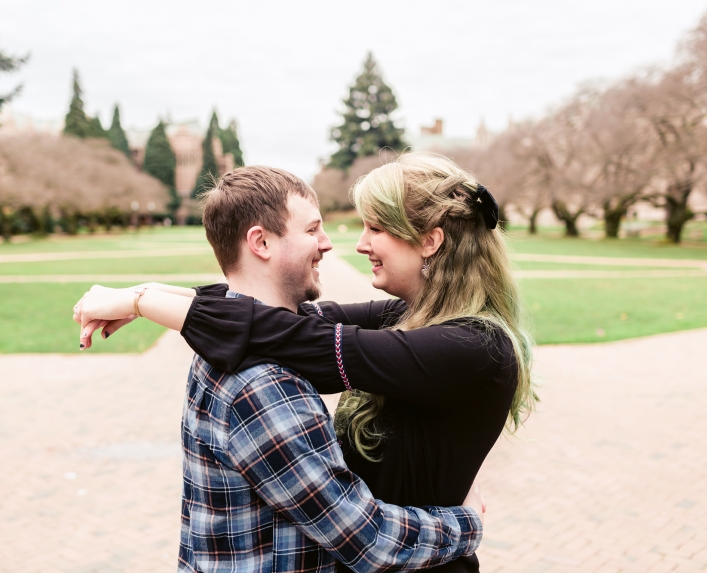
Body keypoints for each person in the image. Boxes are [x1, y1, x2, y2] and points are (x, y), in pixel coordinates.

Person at [74, 165, 485, 573]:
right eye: (311, 230)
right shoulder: (265, 383)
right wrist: (467, 523)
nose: (327, 244)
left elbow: (237, 312)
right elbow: (367, 541)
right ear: (262, 242)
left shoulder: (222, 345)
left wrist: (143, 296)